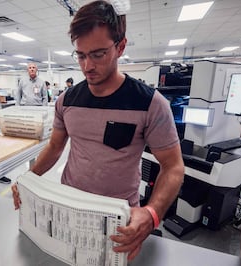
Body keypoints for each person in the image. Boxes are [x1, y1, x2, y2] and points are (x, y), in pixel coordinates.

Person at [12, 0, 184, 262]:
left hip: (117, 219)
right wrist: (27, 179)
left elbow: (173, 167)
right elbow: (56, 146)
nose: (87, 66)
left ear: (121, 46)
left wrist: (152, 214)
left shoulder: (150, 103)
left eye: (98, 54)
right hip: (67, 209)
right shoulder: (66, 100)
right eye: (80, 55)